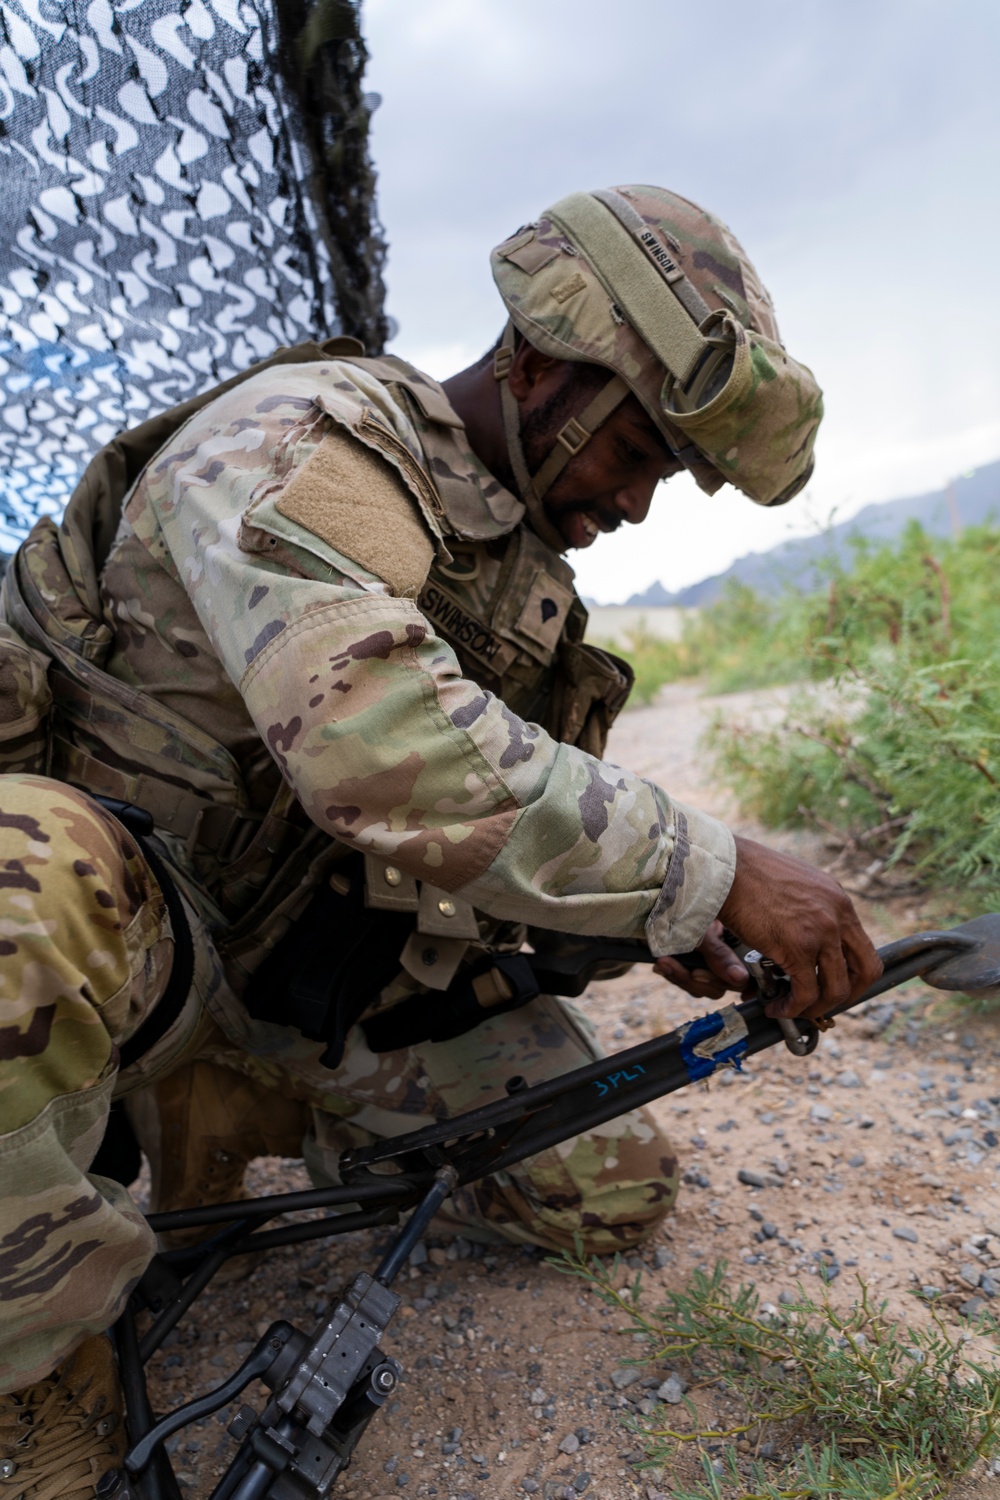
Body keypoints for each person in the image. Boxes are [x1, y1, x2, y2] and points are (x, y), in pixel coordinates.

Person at [0, 184, 881, 1494]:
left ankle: (215, 1108)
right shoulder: (305, 436)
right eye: (634, 452)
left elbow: (493, 830)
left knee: (607, 1184)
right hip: (131, 940)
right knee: (27, 872)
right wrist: (717, 869)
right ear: (536, 365)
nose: (638, 503)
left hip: (293, 978)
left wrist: (663, 920)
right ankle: (32, 1397)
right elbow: (382, 747)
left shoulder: (519, 583)